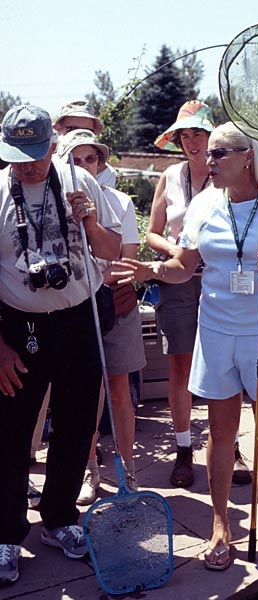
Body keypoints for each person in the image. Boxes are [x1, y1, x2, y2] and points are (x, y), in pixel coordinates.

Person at [113, 122, 258, 569]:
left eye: (220, 153)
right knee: (221, 432)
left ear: (249, 156)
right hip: (217, 330)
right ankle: (220, 524)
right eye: (211, 154)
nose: (210, 160)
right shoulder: (205, 204)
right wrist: (153, 271)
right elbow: (185, 267)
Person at [0, 105, 121, 584]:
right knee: (10, 431)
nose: (28, 165)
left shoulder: (80, 181)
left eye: (36, 153)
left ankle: (60, 518)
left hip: (78, 318)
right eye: (17, 156)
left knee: (75, 425)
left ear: (53, 144)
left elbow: (112, 251)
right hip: (19, 326)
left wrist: (89, 223)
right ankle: (7, 532)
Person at [147, 101, 251, 488]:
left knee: (229, 364)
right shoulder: (170, 177)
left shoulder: (228, 176)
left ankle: (232, 446)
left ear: (212, 139)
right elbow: (152, 232)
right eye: (184, 135)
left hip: (222, 280)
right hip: (178, 279)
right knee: (180, 363)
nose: (192, 142)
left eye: (198, 134)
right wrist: (178, 251)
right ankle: (183, 449)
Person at [57, 129, 146, 504]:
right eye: (74, 160)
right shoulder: (51, 203)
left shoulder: (119, 201)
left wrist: (95, 272)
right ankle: (88, 471)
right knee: (83, 396)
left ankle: (128, 470)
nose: (82, 167)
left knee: (119, 391)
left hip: (117, 307)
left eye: (89, 159)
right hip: (75, 312)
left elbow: (125, 261)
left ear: (100, 162)